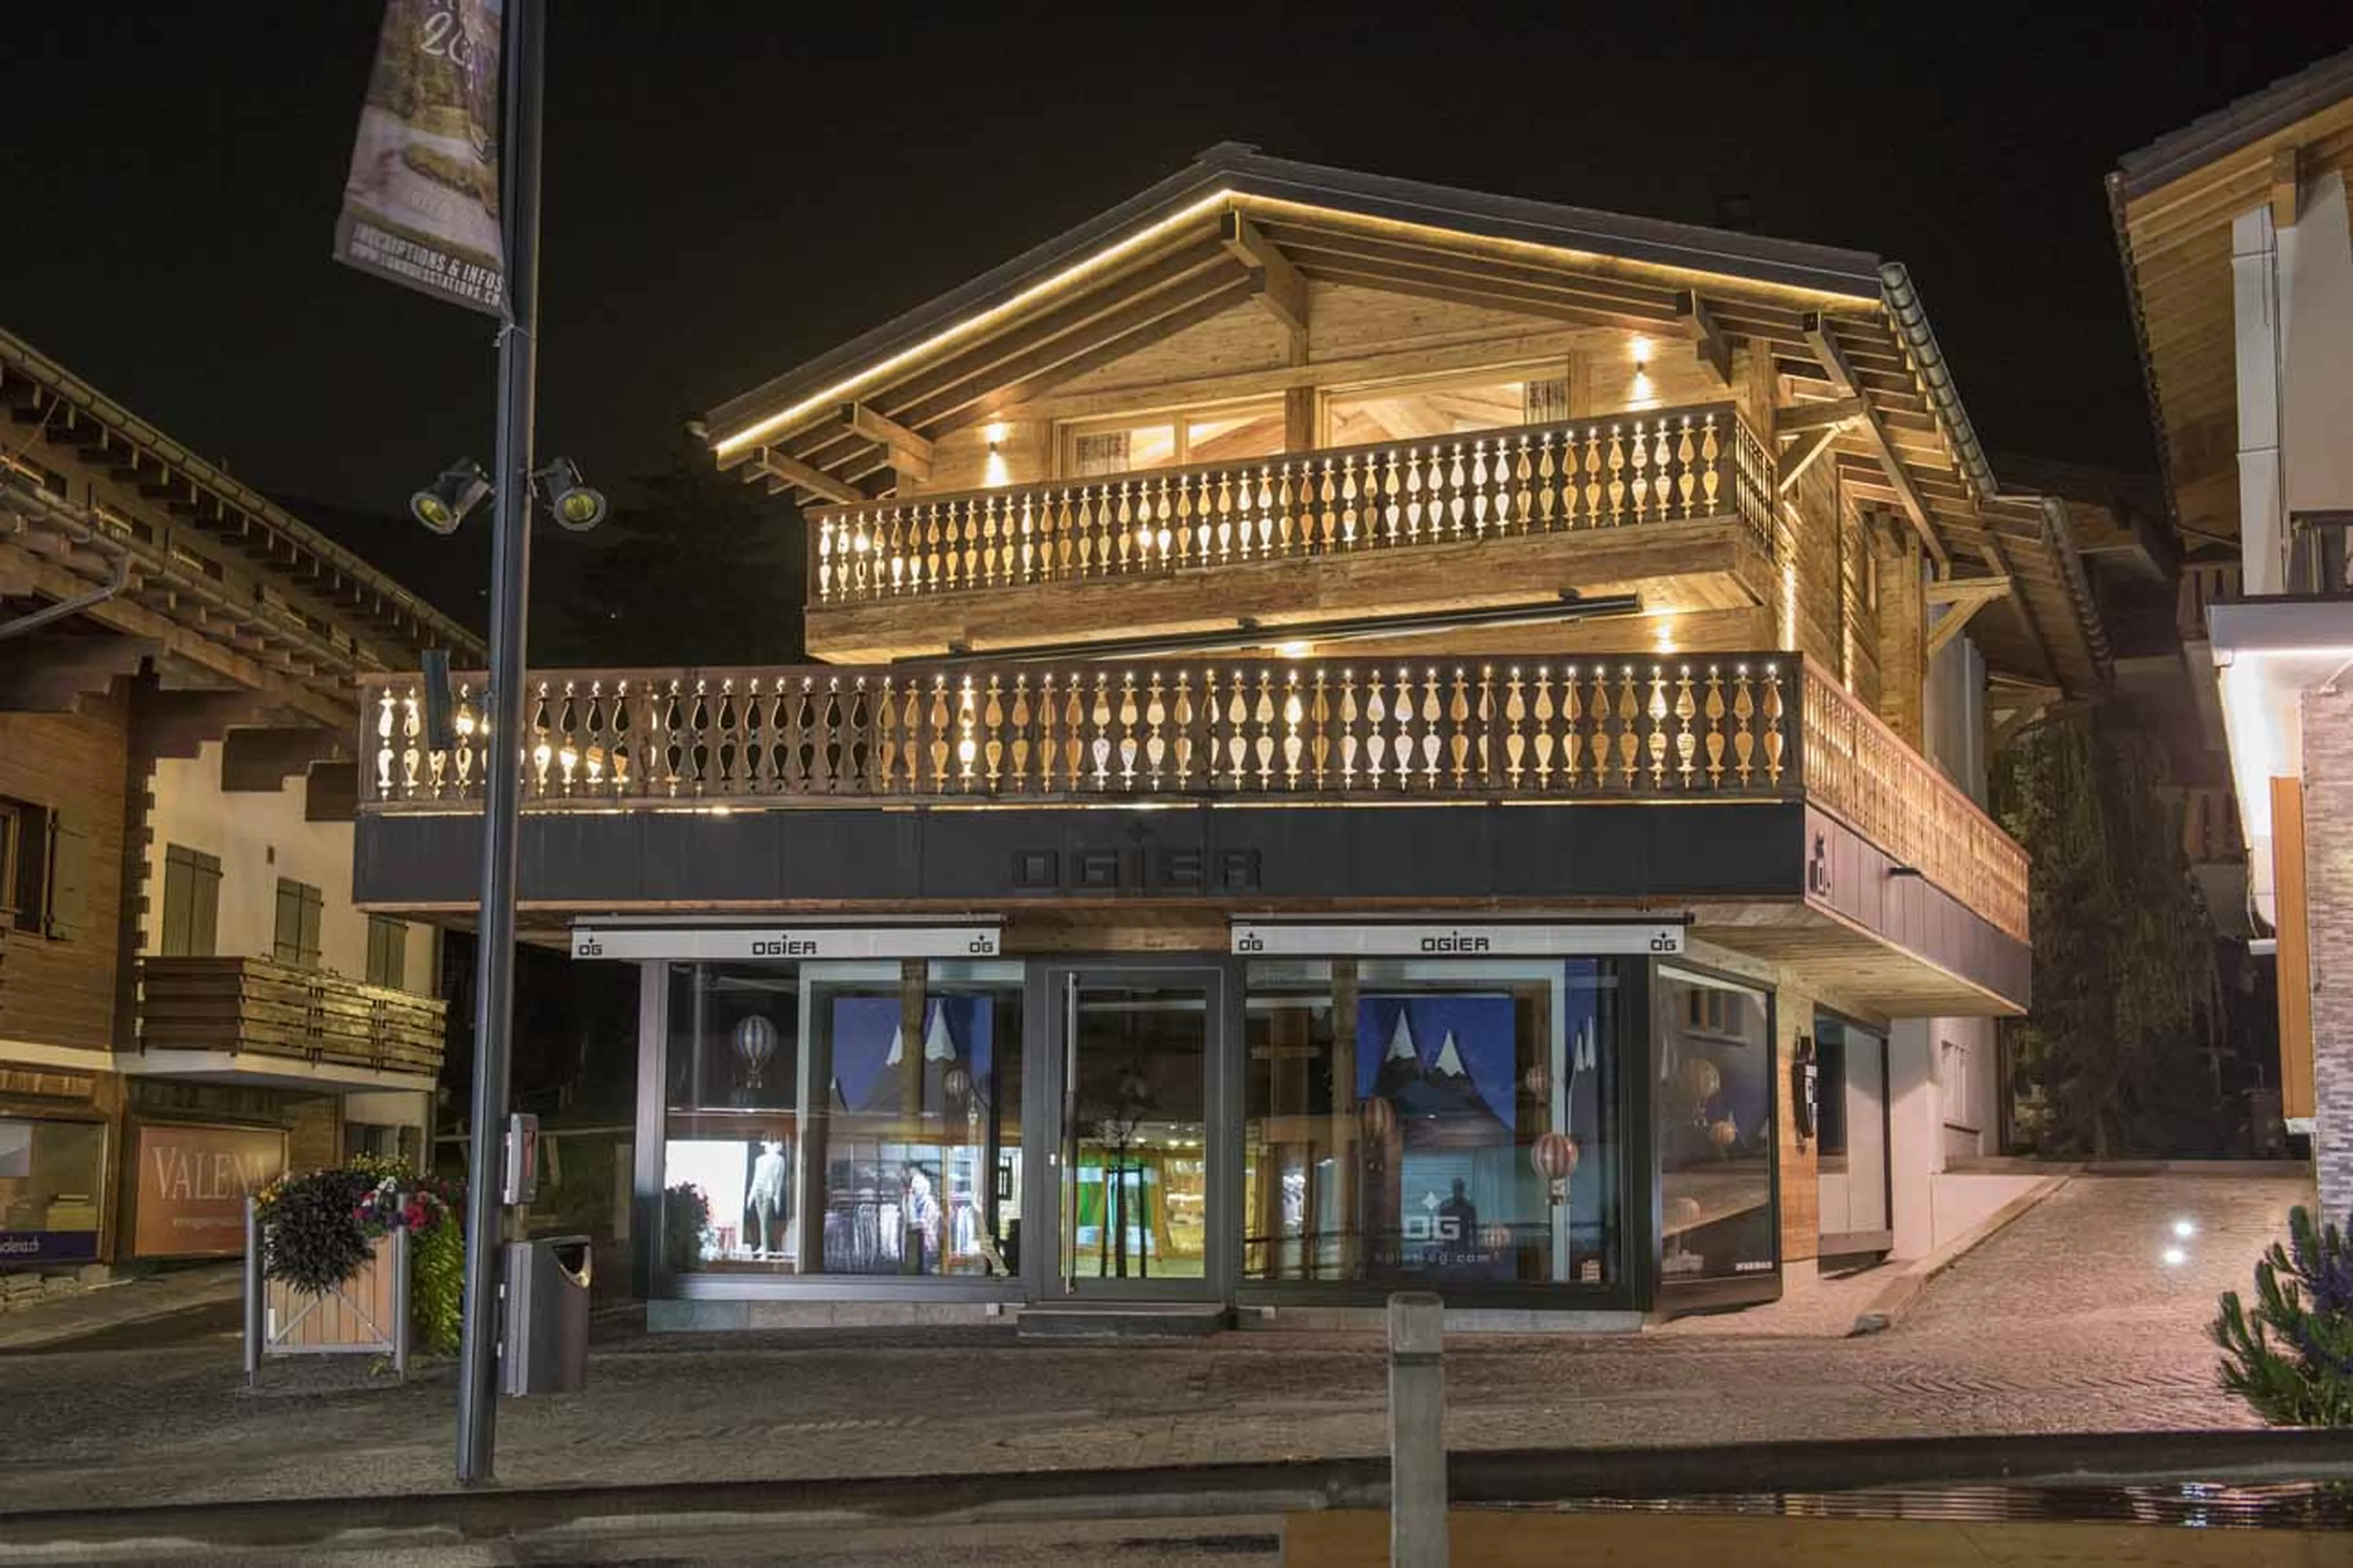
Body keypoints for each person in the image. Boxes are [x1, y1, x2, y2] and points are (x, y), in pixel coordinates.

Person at [746, 1139, 787, 1259]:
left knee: (766, 1221)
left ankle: (766, 1248)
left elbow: (779, 1180)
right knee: (762, 1221)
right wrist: (751, 1195)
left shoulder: (779, 1160)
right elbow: (756, 1178)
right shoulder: (760, 1160)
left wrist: (777, 1197)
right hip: (759, 1191)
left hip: (769, 1193)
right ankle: (765, 1247)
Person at [901, 1161, 941, 1274]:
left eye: (918, 1186)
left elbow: (927, 1223)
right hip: (917, 1240)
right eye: (914, 1186)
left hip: (927, 1241)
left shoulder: (929, 1203)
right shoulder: (913, 1200)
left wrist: (916, 1223)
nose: (915, 1189)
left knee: (926, 1266)